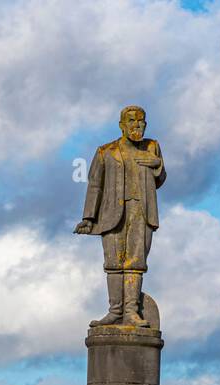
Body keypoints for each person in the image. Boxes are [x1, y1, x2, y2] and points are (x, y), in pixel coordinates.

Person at [74, 105, 166, 327]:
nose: (137, 125)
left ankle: (132, 312)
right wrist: (88, 218)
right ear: (122, 125)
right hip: (112, 215)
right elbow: (95, 185)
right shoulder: (106, 152)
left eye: (141, 121)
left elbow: (160, 179)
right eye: (132, 121)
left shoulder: (152, 147)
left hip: (141, 212)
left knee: (136, 262)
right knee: (114, 262)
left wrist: (158, 165)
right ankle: (115, 312)